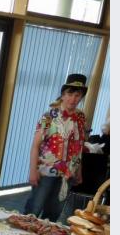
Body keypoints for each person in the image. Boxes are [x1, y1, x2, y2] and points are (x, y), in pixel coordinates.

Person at [24, 74, 88, 222]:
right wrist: (33, 170)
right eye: (69, 94)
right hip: (46, 171)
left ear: (81, 97)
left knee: (53, 214)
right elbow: (35, 145)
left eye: (77, 95)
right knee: (33, 210)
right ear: (63, 95)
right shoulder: (49, 116)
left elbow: (78, 146)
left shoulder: (81, 118)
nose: (73, 99)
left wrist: (79, 170)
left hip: (68, 174)